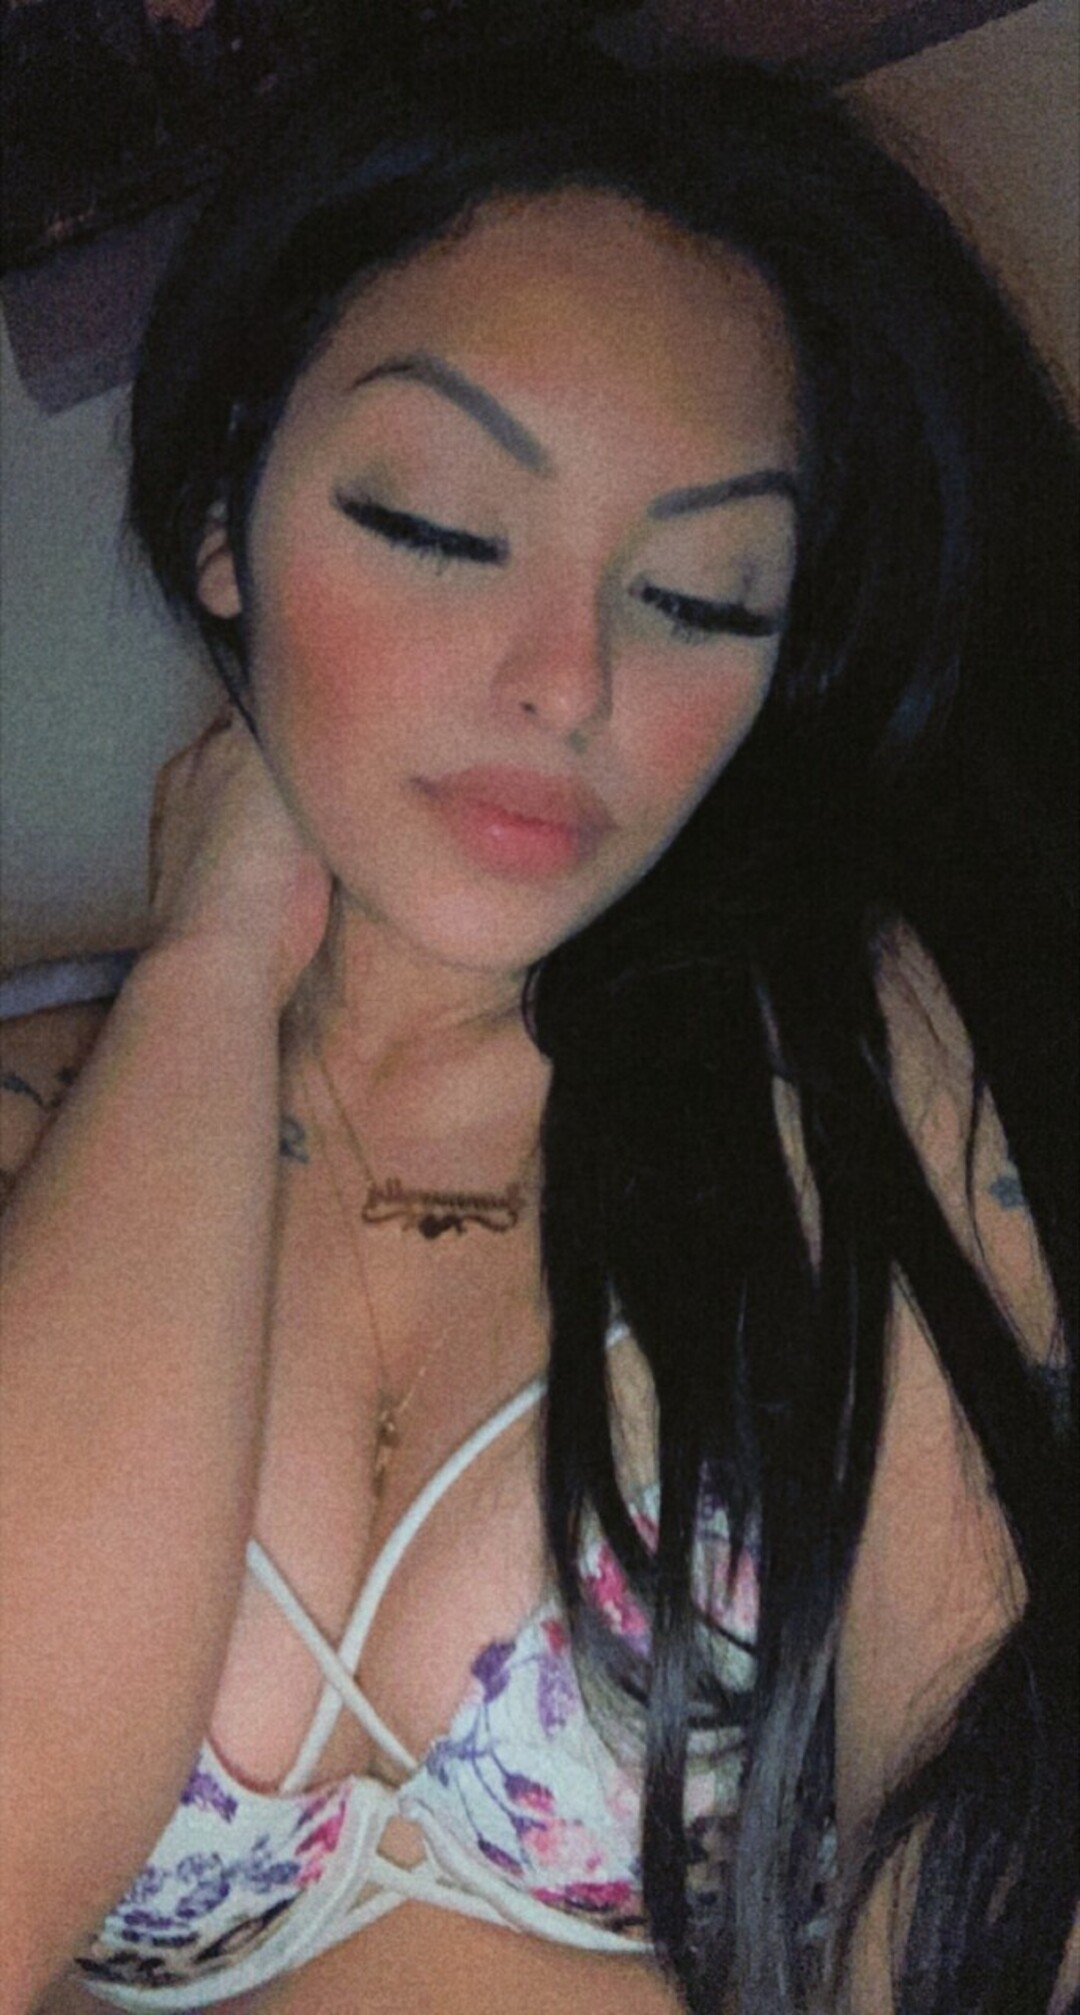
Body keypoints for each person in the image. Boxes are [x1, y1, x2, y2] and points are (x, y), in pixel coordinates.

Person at [0, 22, 1076, 2015]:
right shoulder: (40, 1137)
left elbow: (984, 1912)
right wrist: (211, 968)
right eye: (436, 526)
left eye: (705, 596)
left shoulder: (857, 1084)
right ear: (227, 511)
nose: (568, 679)